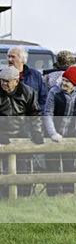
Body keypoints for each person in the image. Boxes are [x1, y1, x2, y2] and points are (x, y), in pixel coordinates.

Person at [42, 65, 76, 196]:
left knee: (69, 165)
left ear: (74, 83)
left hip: (71, 132)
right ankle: (52, 195)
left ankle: (68, 194)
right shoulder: (54, 91)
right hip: (53, 132)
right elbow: (47, 114)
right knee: (52, 165)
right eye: (63, 80)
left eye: (67, 81)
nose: (64, 83)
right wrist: (53, 133)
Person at [0, 65, 44, 198]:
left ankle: (23, 195)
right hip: (1, 133)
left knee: (23, 165)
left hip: (20, 133)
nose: (3, 83)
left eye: (7, 81)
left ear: (16, 81)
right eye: (1, 80)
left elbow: (35, 113)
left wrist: (36, 131)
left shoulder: (28, 92)